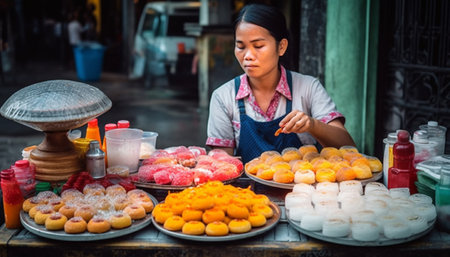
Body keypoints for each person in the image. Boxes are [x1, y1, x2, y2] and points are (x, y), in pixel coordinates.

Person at [205, 4, 355, 163]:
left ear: (281, 47)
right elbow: (222, 165)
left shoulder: (308, 88)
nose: (248, 56)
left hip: (303, 187)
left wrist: (313, 125)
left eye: (258, 46)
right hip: (246, 187)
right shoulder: (223, 97)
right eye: (240, 46)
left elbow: (349, 148)